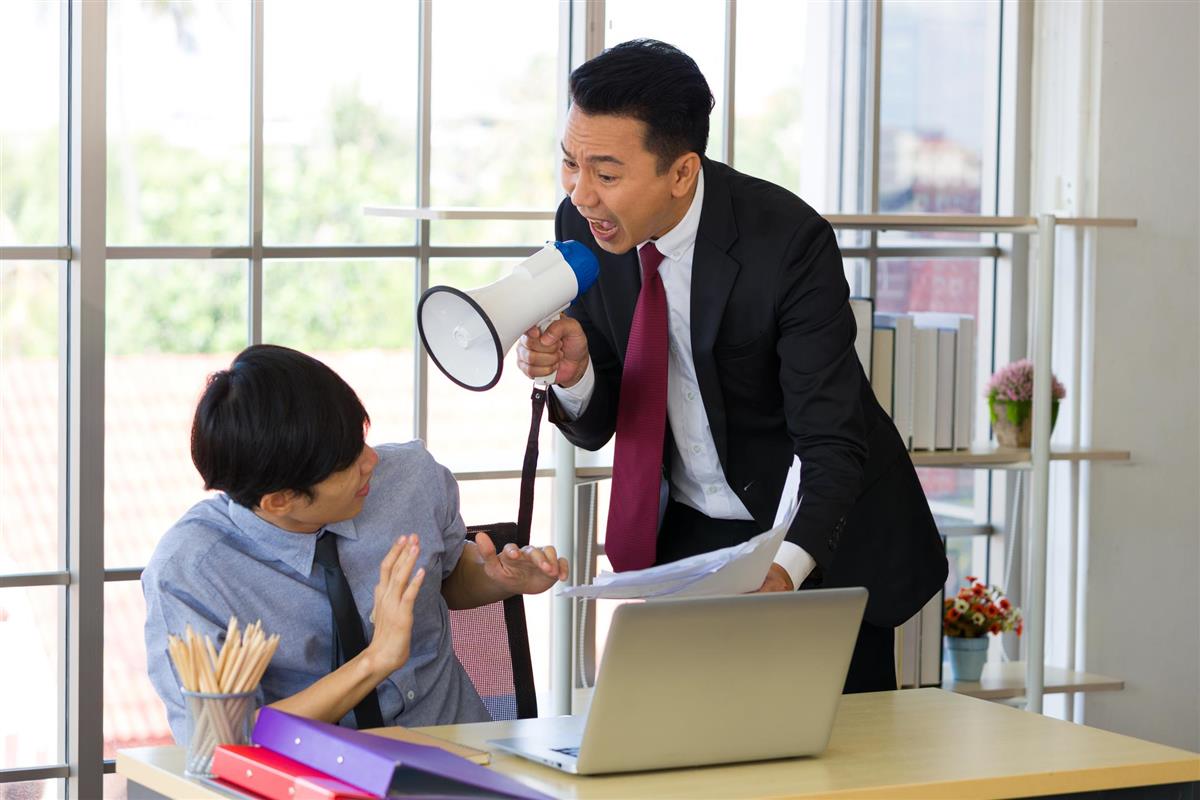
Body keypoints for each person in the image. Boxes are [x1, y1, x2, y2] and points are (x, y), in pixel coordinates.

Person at [517, 39, 946, 693]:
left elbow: (832, 440)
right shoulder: (584, 229)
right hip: (690, 534)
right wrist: (576, 373)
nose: (581, 194)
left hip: (815, 533)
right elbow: (608, 410)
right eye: (569, 164)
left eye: (606, 174)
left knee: (831, 772)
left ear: (682, 172)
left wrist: (785, 573)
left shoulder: (788, 243)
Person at [143, 344, 568, 741]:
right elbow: (227, 741)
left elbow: (449, 578)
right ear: (278, 501)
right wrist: (375, 660)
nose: (372, 461)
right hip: (316, 782)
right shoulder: (192, 572)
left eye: (360, 439)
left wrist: (498, 578)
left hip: (467, 758)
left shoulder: (411, 479)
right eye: (346, 462)